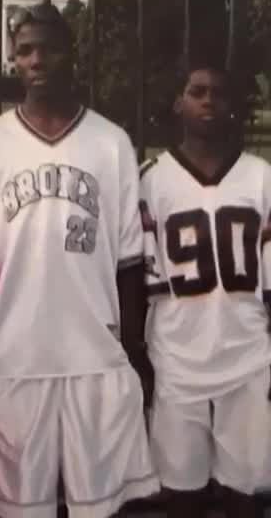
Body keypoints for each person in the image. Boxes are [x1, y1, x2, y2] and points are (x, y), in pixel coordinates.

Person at [0, 3, 159, 518]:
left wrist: (133, 347)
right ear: (13, 61)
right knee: (16, 506)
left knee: (101, 503)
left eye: (49, 47)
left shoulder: (111, 142)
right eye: (25, 50)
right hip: (11, 349)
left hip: (93, 347)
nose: (37, 60)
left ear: (72, 54)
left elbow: (130, 261)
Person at [140, 51, 271, 518]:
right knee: (181, 496)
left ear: (233, 103)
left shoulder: (262, 178)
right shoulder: (151, 182)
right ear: (178, 102)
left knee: (245, 496)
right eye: (197, 91)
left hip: (248, 356)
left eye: (218, 92)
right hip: (177, 357)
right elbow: (141, 281)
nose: (208, 101)